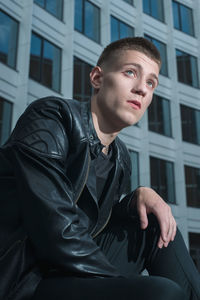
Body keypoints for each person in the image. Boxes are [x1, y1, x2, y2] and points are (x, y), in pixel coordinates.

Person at [0, 37, 199, 300]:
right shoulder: (52, 118)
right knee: (160, 293)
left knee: (155, 222)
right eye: (131, 72)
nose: (142, 89)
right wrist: (123, 286)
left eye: (151, 83)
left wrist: (135, 199)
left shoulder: (120, 158)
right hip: (24, 281)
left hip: (67, 271)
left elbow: (93, 228)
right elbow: (54, 226)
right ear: (97, 78)